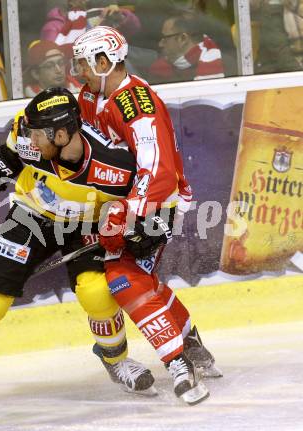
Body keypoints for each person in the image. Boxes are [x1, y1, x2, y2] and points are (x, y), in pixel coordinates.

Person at [0, 87, 158, 397]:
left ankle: (117, 361)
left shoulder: (115, 165)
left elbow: (144, 202)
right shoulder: (26, 129)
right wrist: (2, 160)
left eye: (38, 135)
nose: (30, 140)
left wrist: (143, 225)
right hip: (30, 213)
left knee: (98, 293)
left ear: (62, 135)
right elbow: (11, 150)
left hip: (85, 222)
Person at [72, 25, 222, 405]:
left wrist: (126, 213)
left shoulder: (136, 105)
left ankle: (179, 365)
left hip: (157, 204)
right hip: (122, 204)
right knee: (143, 279)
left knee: (125, 279)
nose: (78, 72)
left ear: (104, 62)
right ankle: (190, 345)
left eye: (83, 64)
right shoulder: (91, 95)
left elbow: (158, 172)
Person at [149, 12, 225, 83]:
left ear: (183, 38)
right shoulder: (160, 70)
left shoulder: (226, 67)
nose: (160, 44)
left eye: (165, 38)